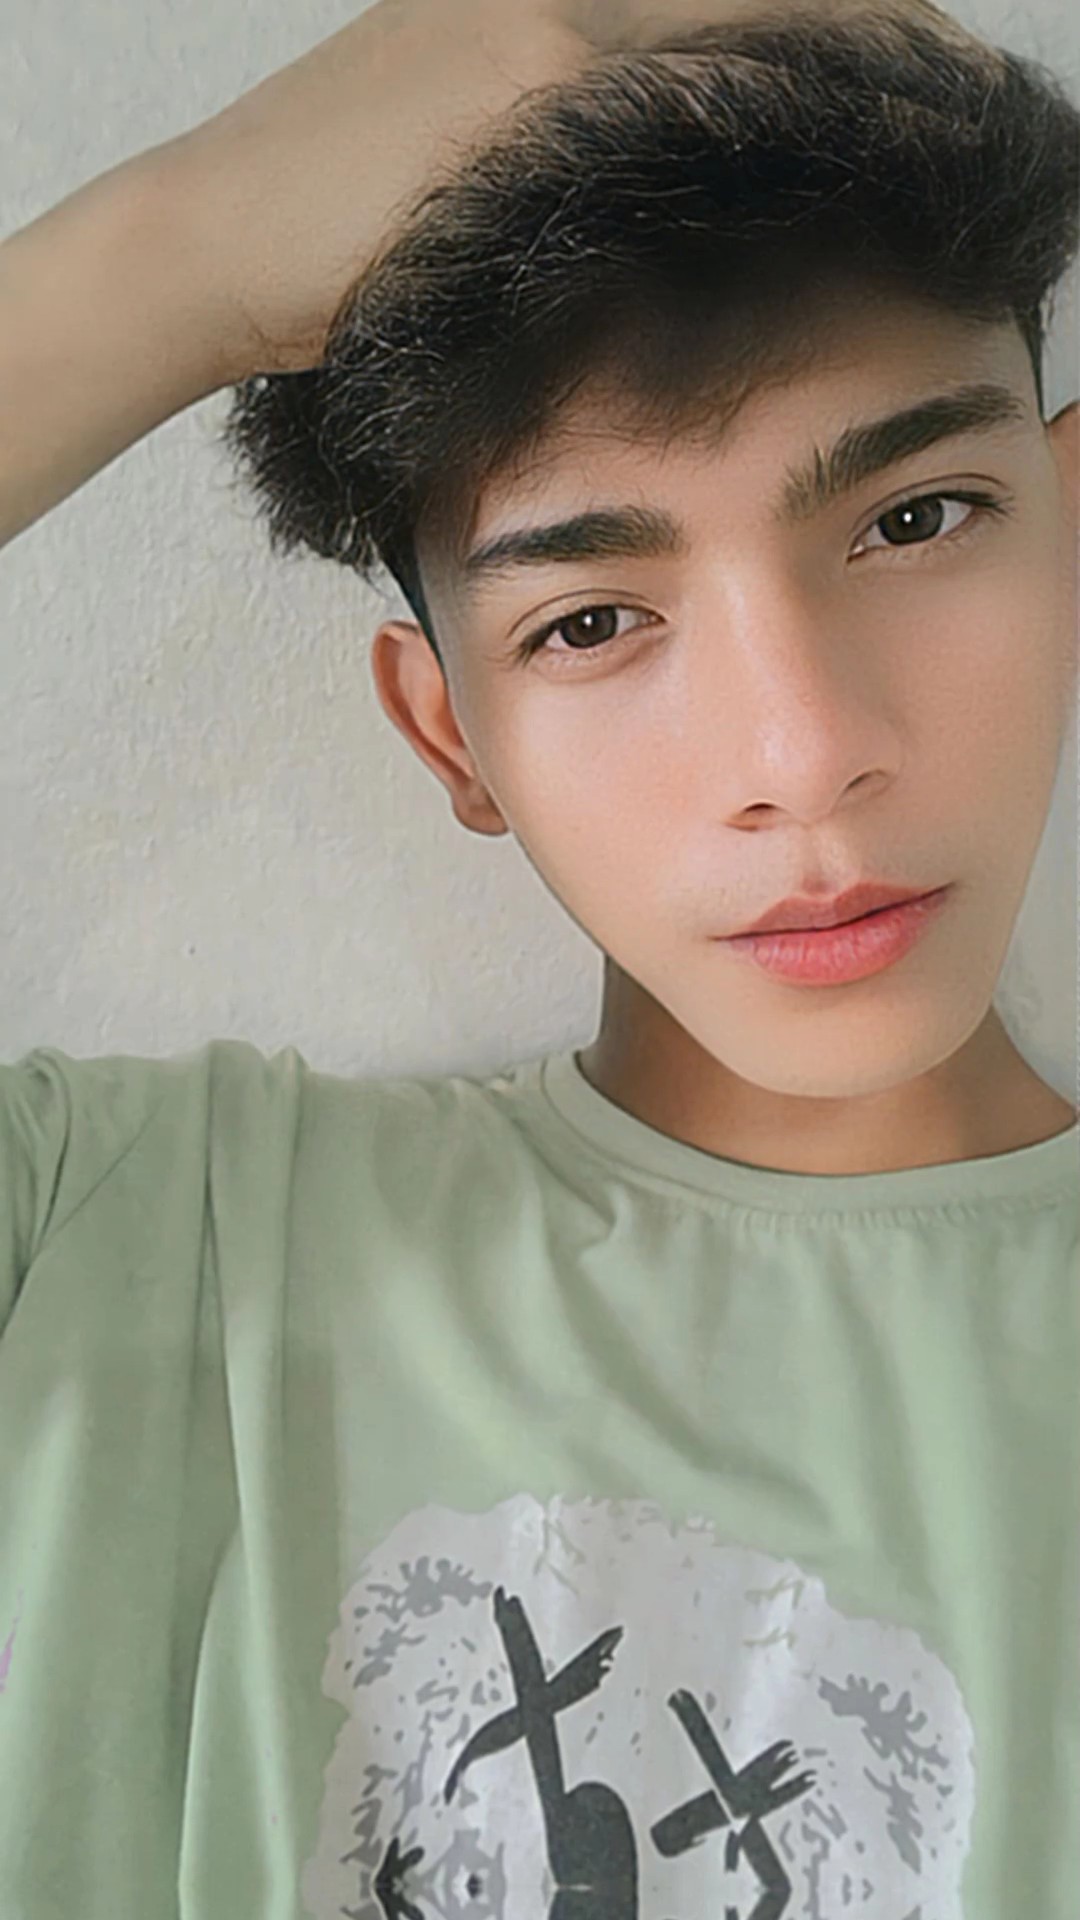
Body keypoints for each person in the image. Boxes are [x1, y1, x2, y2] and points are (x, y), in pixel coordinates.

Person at [0, 0, 1077, 1914]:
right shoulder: (120, 1243)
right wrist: (173, 257)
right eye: (590, 621)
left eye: (917, 518)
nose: (802, 751)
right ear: (450, 738)